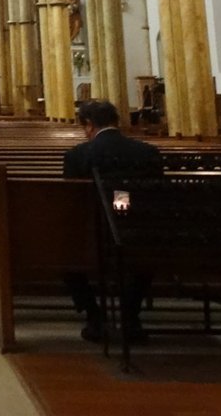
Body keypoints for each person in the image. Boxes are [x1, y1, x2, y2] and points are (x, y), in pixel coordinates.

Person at [62, 99, 163, 343]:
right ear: (116, 122)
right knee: (146, 255)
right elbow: (157, 195)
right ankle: (130, 314)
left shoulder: (77, 156)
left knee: (66, 256)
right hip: (139, 232)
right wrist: (123, 209)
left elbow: (71, 200)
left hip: (92, 234)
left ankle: (94, 315)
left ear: (88, 125)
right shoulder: (147, 152)